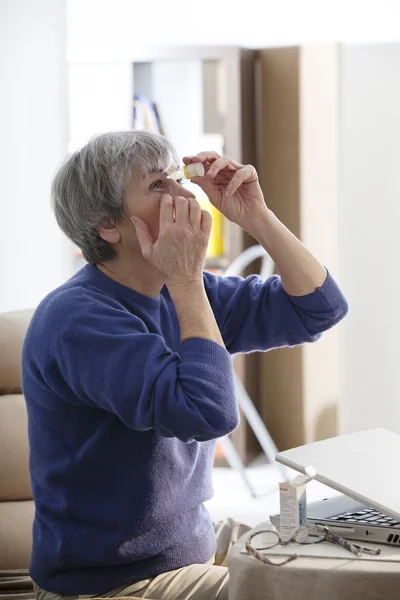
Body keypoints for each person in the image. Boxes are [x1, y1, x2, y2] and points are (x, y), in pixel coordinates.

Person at [22, 130, 348, 600]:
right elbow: (207, 414)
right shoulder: (77, 320)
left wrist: (257, 217)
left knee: (349, 564)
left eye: (178, 178)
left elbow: (321, 307)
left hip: (186, 547)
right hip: (114, 581)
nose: (185, 194)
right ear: (108, 225)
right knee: (311, 592)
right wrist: (186, 277)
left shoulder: (183, 292)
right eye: (159, 186)